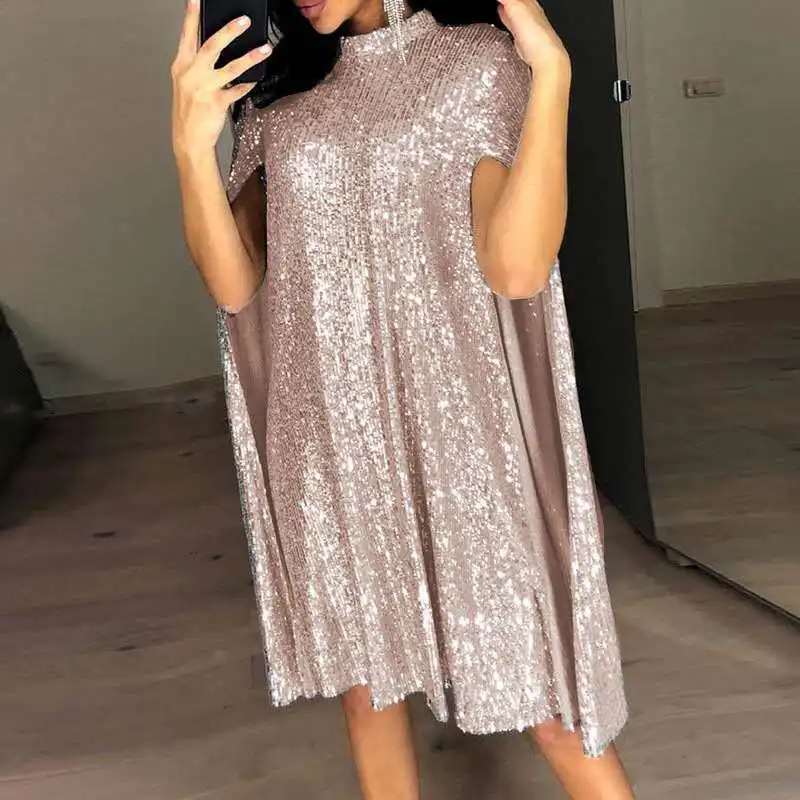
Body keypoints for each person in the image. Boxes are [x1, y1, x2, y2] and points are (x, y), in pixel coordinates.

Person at [171, 0, 635, 797]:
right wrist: (189, 147)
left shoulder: (478, 65)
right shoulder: (279, 107)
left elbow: (516, 268)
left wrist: (554, 74)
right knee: (367, 687)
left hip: (462, 434)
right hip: (326, 436)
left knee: (545, 694)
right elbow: (234, 285)